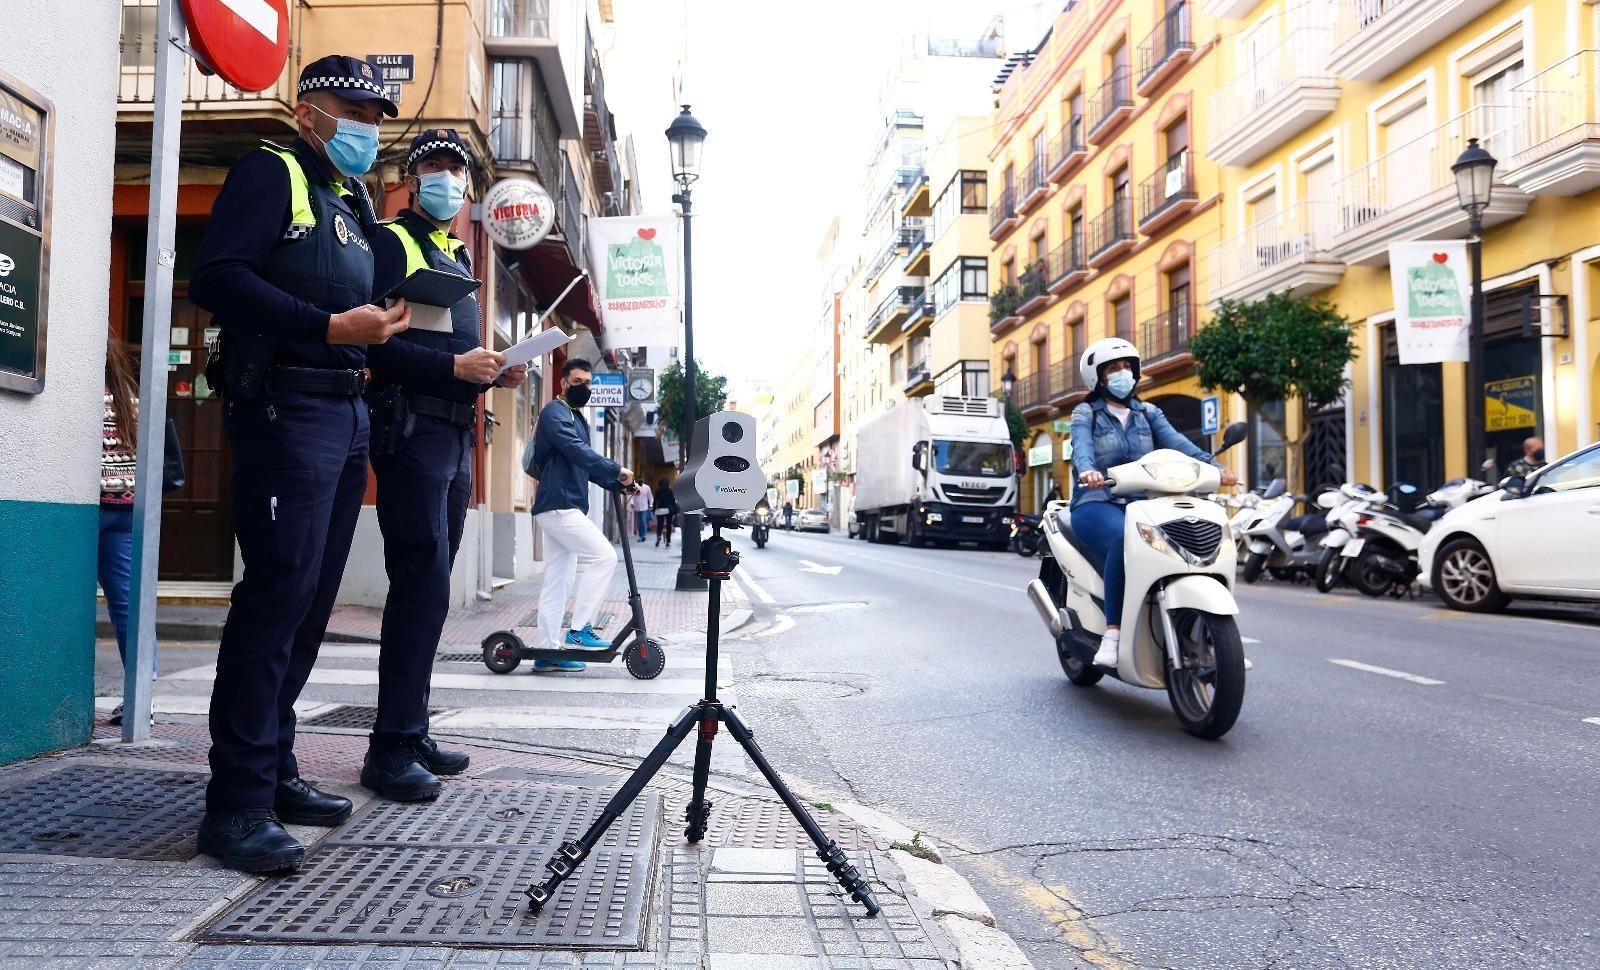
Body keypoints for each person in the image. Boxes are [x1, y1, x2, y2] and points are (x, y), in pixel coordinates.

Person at [188, 55, 408, 874]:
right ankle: (236, 805)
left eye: (379, 114)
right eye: (356, 107)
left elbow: (350, 306)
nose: (369, 125)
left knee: (311, 602)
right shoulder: (270, 170)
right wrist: (327, 330)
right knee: (276, 596)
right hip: (286, 407)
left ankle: (274, 769)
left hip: (343, 411)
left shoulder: (347, 199)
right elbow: (217, 277)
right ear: (310, 107)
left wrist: (380, 327)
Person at [362, 129, 528, 802]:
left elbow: (452, 353)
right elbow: (377, 343)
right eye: (435, 167)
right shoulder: (390, 242)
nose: (448, 180)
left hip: (455, 435)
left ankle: (413, 726)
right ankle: (389, 748)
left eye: (457, 170)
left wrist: (493, 373)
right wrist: (456, 367)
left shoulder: (456, 252)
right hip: (412, 431)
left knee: (432, 592)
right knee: (418, 586)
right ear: (410, 176)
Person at [1068, 337, 1236, 669]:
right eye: (1114, 368)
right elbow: (1081, 446)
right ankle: (1113, 635)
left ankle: (1212, 640)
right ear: (1099, 378)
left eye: (1127, 366)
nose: (1123, 373)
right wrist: (1087, 470)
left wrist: (1214, 467)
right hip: (1097, 501)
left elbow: (1178, 443)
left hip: (1144, 503)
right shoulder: (1086, 412)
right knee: (1124, 540)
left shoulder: (1148, 413)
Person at [529, 358, 633, 672]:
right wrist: (616, 468)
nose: (584, 388)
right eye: (577, 382)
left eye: (588, 383)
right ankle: (580, 630)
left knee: (557, 582)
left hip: (563, 505)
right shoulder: (555, 413)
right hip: (559, 504)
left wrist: (617, 482)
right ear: (563, 382)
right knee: (604, 557)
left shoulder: (577, 417)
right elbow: (575, 450)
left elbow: (582, 465)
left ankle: (547, 651)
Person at [101, 336, 155, 726]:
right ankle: (141, 698)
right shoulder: (128, 399)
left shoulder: (80, 395)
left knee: (66, 598)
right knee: (128, 605)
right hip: (126, 508)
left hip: (89, 509)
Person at [654, 476, 677, 547]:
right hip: (668, 510)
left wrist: (654, 508)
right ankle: (668, 541)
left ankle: (659, 536)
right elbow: (673, 501)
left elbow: (655, 501)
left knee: (659, 525)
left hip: (660, 510)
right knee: (668, 525)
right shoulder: (670, 491)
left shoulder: (658, 491)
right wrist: (675, 510)